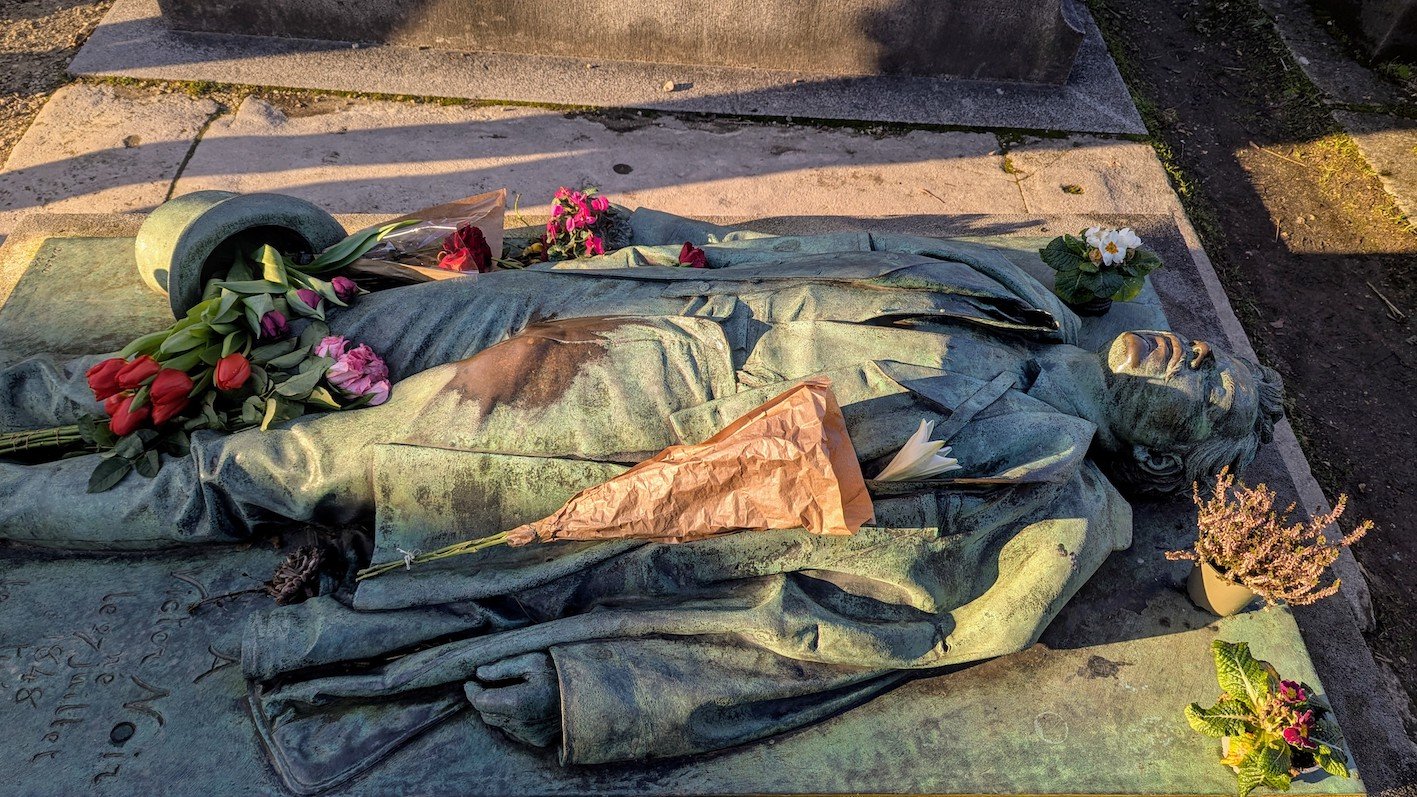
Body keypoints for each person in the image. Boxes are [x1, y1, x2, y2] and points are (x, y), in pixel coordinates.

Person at [0, 211, 1282, 792]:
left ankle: (24, 503)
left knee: (265, 470)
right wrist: (622, 237)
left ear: (1168, 458)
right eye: (1216, 356)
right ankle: (32, 395)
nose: (1197, 362)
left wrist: (612, 688)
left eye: (1214, 398)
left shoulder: (1051, 491)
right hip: (613, 314)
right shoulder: (1012, 287)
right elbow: (788, 250)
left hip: (595, 433)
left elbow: (856, 620)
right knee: (318, 335)